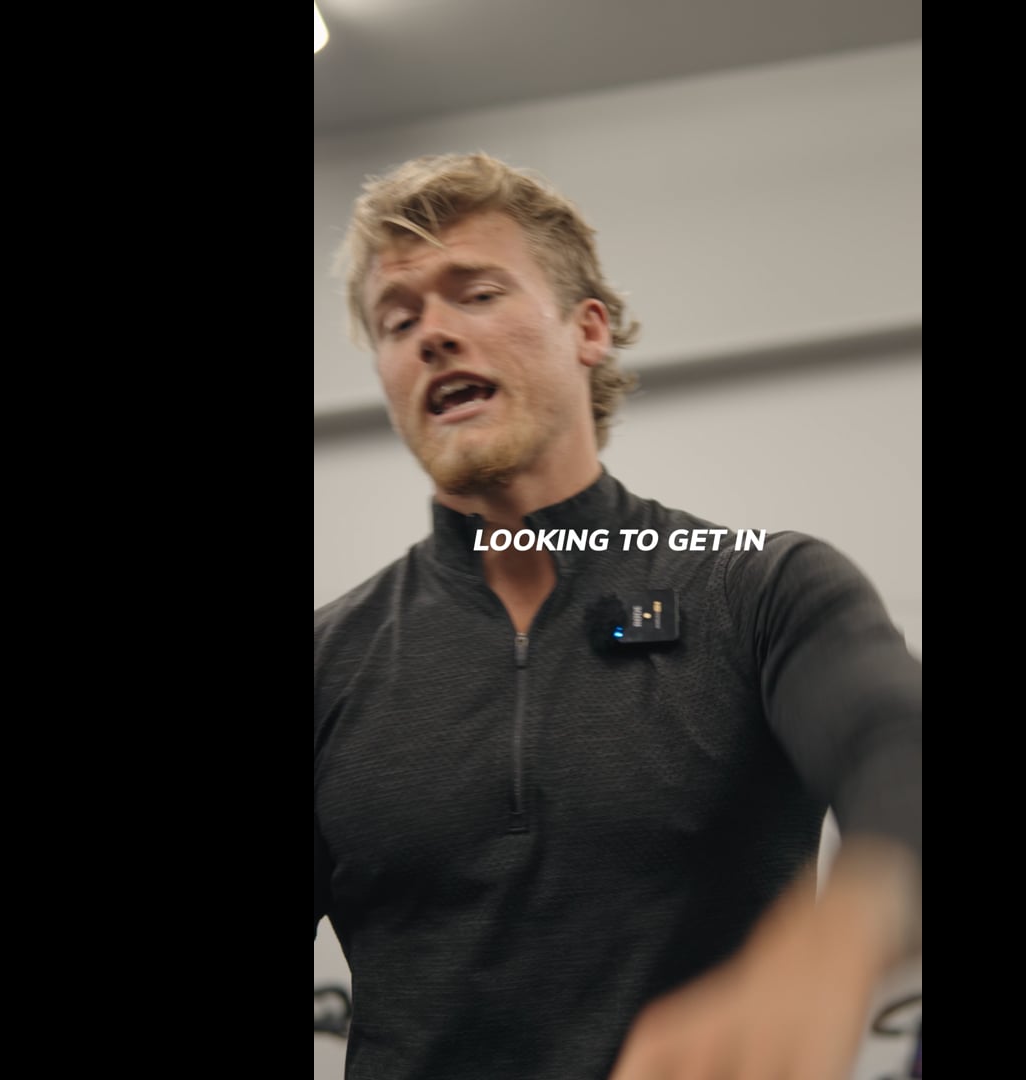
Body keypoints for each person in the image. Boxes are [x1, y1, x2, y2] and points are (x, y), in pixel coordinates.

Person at [313, 151, 922, 1079]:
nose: (432, 334)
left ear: (587, 329)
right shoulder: (330, 660)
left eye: (476, 294)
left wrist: (839, 939)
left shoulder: (760, 587)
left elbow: (899, 751)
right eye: (398, 320)